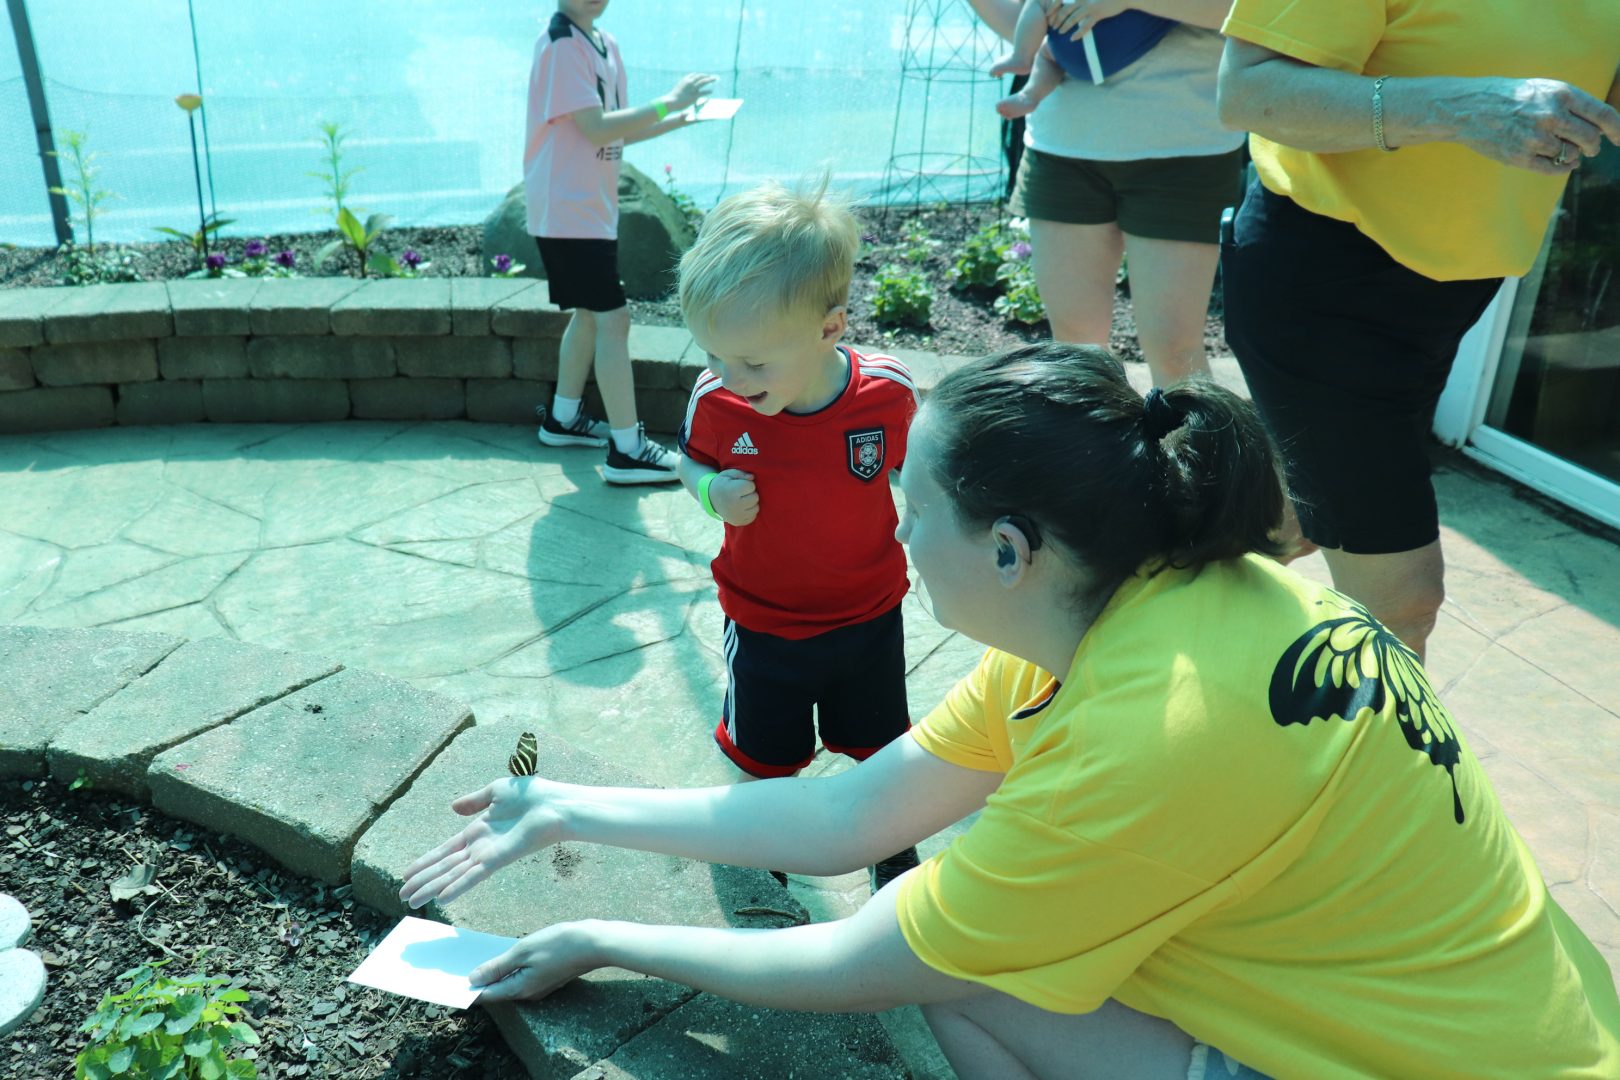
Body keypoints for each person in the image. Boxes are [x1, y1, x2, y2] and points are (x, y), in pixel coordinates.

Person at [401, 343, 1620, 1079]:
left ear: (1007, 550)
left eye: (913, 502)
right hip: (1523, 1028)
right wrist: (565, 806)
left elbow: (855, 961)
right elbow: (853, 817)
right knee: (992, 943)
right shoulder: (1135, 602)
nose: (890, 522)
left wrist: (606, 938)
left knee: (968, 972)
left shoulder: (1152, 735)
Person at [1216, 1, 1620, 658]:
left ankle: (1159, 652)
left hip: (1448, 295)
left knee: (1294, 520)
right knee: (1402, 602)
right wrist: (1458, 109)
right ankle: (1375, 761)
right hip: (1328, 285)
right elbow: (1247, 90)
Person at [674, 179, 921, 892]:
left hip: (868, 613)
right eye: (715, 355)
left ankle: (891, 848)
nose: (729, 376)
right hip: (764, 621)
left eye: (752, 362)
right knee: (764, 758)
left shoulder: (888, 395)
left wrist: (926, 514)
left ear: (829, 328)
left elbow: (923, 470)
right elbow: (689, 462)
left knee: (882, 750)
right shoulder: (717, 401)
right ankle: (764, 856)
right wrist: (712, 494)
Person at [967, 0, 1245, 389]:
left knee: (1174, 352)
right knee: (1077, 351)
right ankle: (1091, 452)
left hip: (1183, 152)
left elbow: (1250, 11)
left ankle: (1193, 451)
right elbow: (1040, 21)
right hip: (1062, 149)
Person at [525, 0, 715, 484]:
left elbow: (613, 134)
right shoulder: (562, 46)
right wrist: (670, 102)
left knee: (590, 316)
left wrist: (681, 118)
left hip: (588, 210)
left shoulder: (604, 46)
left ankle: (564, 419)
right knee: (613, 318)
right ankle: (627, 449)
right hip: (567, 209)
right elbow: (596, 127)